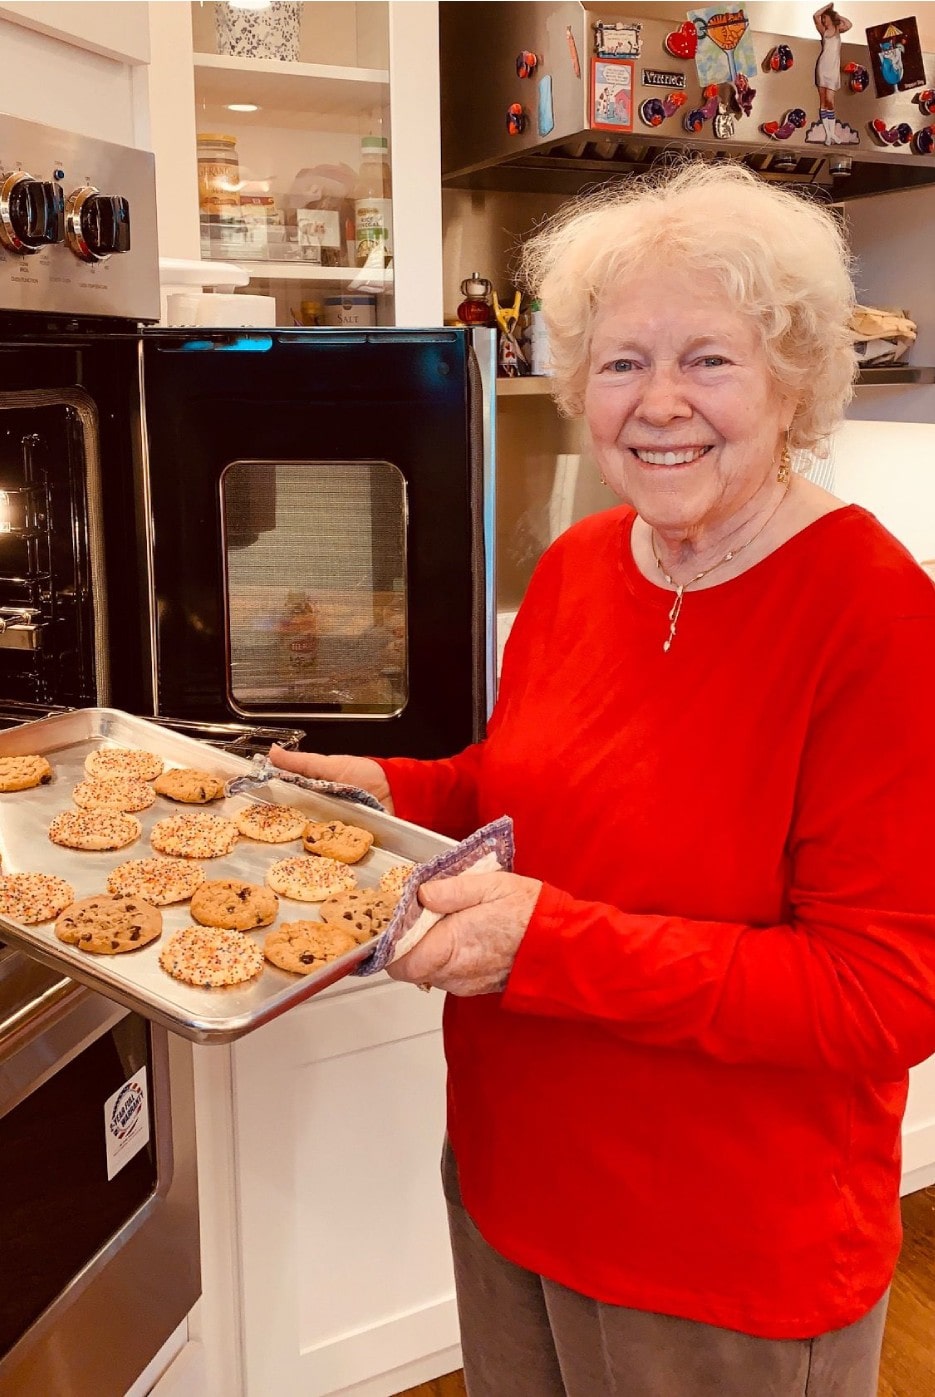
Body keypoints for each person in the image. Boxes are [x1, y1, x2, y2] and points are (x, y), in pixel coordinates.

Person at [272, 160, 935, 1396]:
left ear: (792, 381)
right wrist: (386, 791)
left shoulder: (875, 617)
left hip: (717, 1253)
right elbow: (520, 794)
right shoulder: (583, 564)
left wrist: (545, 947)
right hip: (510, 1184)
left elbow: (880, 996)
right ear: (577, 383)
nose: (657, 402)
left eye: (708, 360)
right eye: (621, 362)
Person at [814, 3, 853, 143]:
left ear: (831, 17)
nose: (823, 20)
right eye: (823, 18)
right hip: (823, 67)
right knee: (823, 101)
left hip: (833, 69)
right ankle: (828, 134)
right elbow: (815, 16)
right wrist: (825, 7)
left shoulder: (838, 29)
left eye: (825, 18)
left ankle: (831, 133)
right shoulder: (823, 30)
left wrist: (837, 15)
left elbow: (849, 24)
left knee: (830, 102)